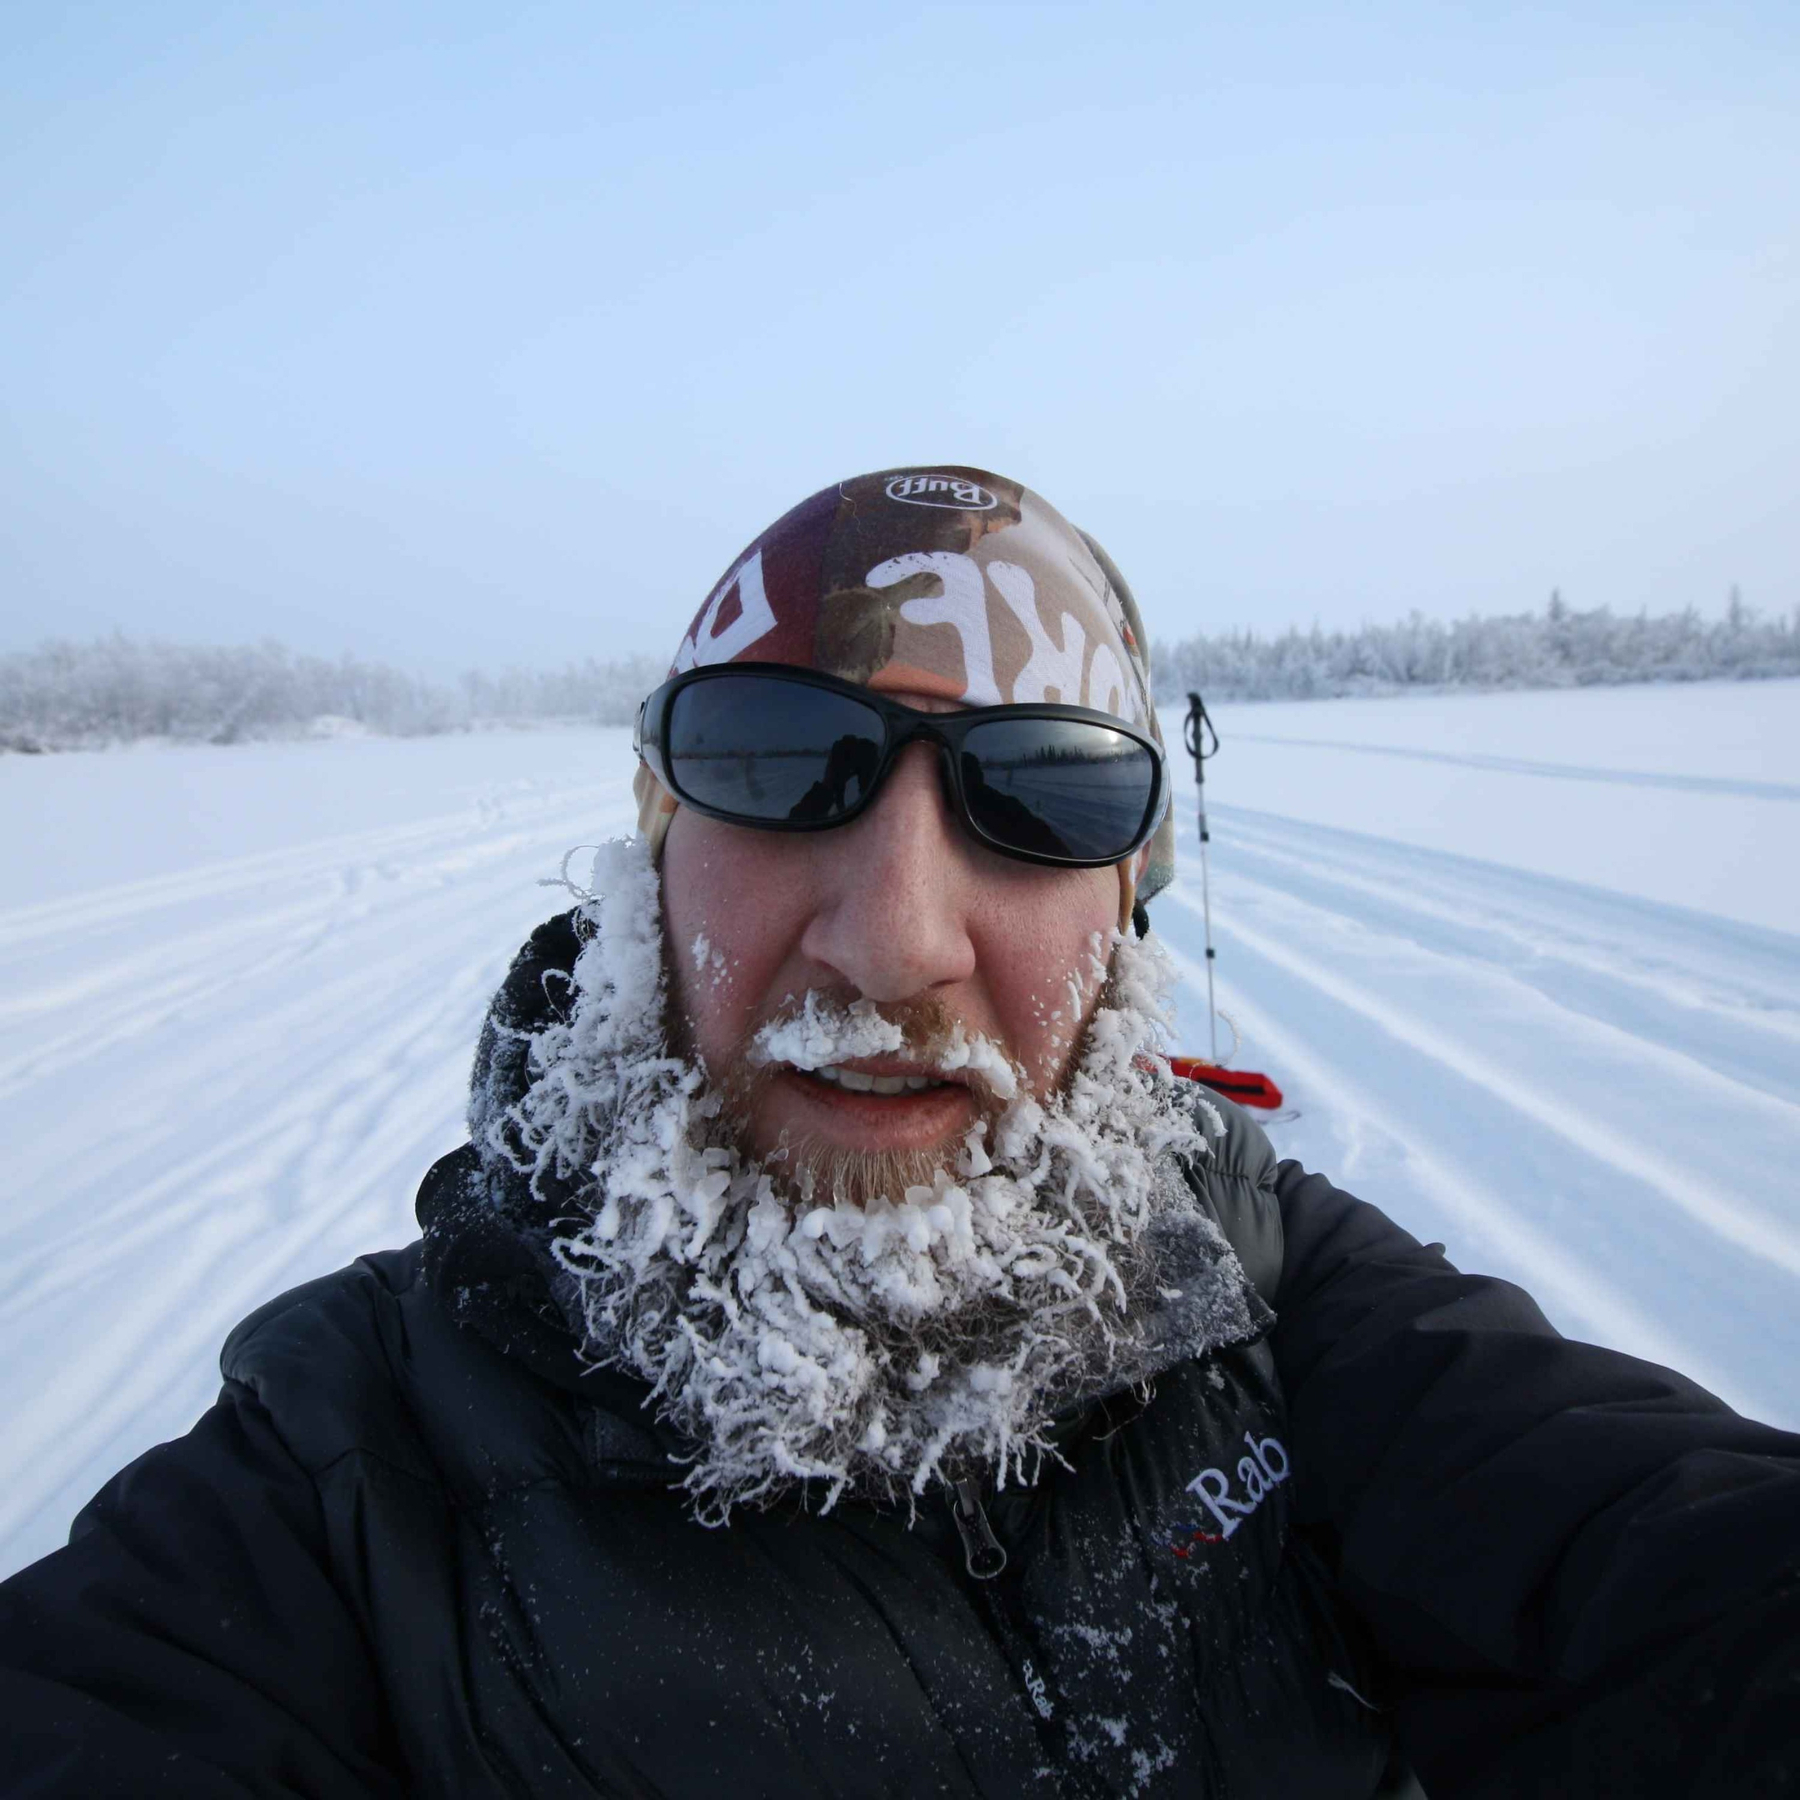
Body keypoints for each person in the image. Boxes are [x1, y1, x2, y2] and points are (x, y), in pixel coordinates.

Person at [1, 467, 1795, 1800]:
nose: (895, 941)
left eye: (1040, 795)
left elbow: (1675, 1572)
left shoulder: (1281, 1310)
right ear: (655, 857)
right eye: (785, 768)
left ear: (1127, 912)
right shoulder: (344, 1468)